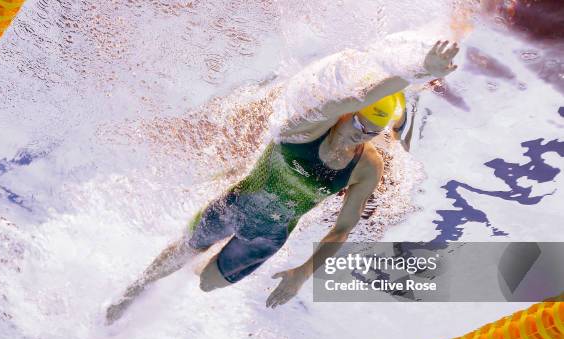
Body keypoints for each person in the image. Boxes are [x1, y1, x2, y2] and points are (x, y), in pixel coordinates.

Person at [106, 39, 459, 323]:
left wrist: (305, 272)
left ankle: (201, 265)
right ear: (347, 115)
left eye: (372, 132)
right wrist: (418, 71)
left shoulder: (368, 165)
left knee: (206, 284)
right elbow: (359, 98)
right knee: (184, 250)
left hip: (267, 238)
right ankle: (132, 291)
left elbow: (342, 229)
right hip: (234, 206)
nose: (361, 136)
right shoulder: (305, 127)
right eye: (359, 125)